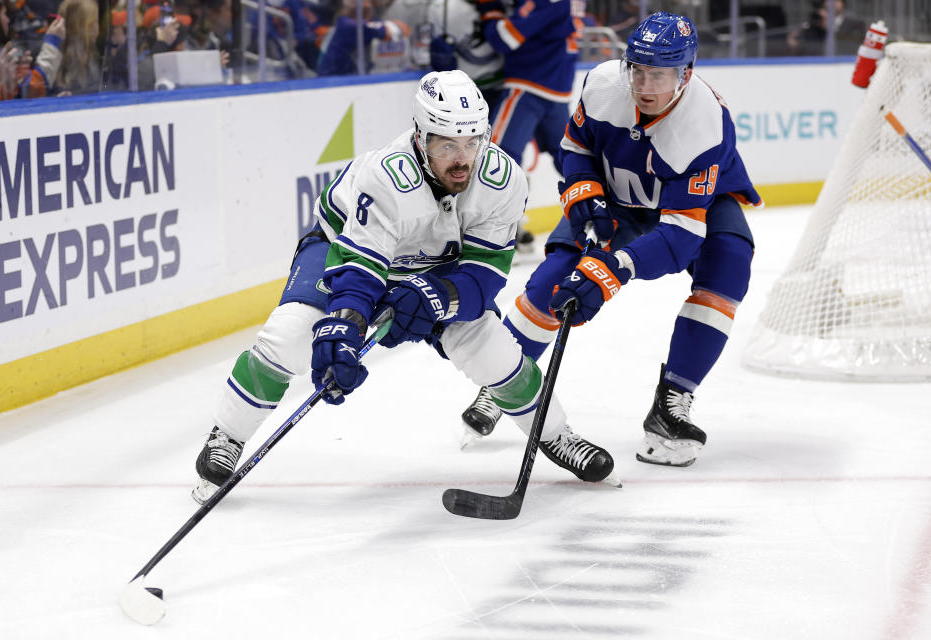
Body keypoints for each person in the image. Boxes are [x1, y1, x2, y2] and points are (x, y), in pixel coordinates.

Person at [190, 70, 615, 504]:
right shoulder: (386, 176)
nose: (462, 158)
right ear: (421, 136)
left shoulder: (502, 180)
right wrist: (346, 323)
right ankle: (228, 434)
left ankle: (556, 434)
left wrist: (440, 296)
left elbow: (486, 272)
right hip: (344, 250)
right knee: (291, 335)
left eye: (472, 142)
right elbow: (360, 266)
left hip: (439, 269)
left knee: (494, 351)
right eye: (447, 144)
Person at [461, 12, 761, 468]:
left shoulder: (706, 124)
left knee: (728, 266)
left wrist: (612, 270)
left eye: (659, 73)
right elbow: (576, 147)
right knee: (553, 281)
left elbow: (680, 236)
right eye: (637, 70)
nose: (644, 84)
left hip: (693, 208)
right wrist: (583, 193)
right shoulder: (603, 85)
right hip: (617, 198)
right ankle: (503, 380)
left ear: (686, 73)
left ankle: (671, 403)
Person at [471, 0, 582, 254]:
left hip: (529, 84)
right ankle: (606, 210)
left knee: (494, 157)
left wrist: (491, 10)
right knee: (570, 159)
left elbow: (503, 37)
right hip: (555, 87)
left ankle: (497, 232)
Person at [786, 0, 868, 56]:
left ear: (843, 3)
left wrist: (830, 29)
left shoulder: (856, 24)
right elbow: (805, 48)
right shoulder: (817, 24)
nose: (831, 3)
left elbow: (852, 46)